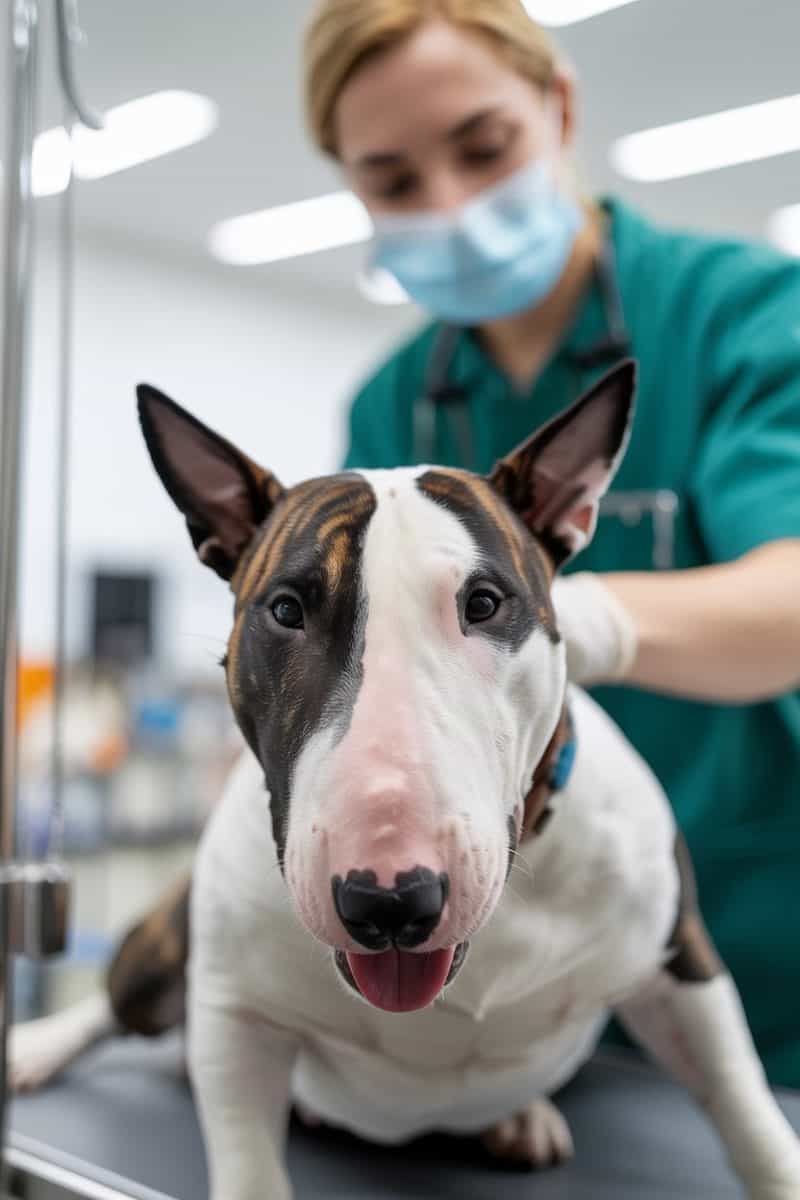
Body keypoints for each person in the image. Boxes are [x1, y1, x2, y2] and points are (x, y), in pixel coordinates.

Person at [302, 0, 800, 1086]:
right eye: (392, 181)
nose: (450, 203)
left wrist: (555, 618)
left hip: (760, 939)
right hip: (520, 965)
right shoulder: (395, 408)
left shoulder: (745, 315)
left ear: (558, 105)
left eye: (482, 148)